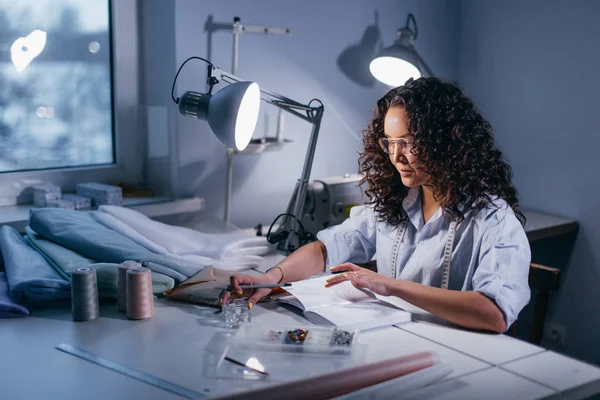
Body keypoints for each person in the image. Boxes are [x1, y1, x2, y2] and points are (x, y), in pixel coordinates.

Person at [221, 77, 531, 333]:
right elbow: (327, 249)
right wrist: (272, 277)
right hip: (397, 341)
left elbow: (495, 313)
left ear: (445, 141)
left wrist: (390, 286)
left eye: (408, 142)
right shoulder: (398, 204)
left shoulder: (494, 221)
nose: (396, 156)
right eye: (389, 142)